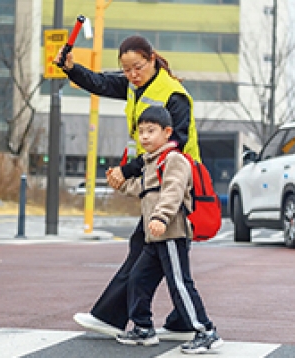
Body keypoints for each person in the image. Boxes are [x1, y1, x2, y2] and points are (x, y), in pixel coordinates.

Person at [53, 35, 201, 341]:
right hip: (156, 183)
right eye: (126, 69)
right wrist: (71, 69)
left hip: (177, 184)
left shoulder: (173, 95)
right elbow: (101, 83)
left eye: (137, 67)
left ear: (152, 59)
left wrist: (127, 170)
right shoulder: (136, 87)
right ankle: (181, 322)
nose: (132, 75)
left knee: (152, 254)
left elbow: (176, 143)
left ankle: (116, 317)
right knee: (162, 257)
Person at [113, 106, 223, 354]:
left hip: (171, 234)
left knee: (180, 284)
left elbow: (173, 192)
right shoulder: (151, 162)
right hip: (155, 238)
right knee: (138, 278)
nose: (144, 137)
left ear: (167, 132)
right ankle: (143, 328)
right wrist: (120, 183)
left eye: (151, 131)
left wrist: (161, 217)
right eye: (141, 132)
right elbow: (141, 188)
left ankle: (206, 332)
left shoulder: (174, 159)